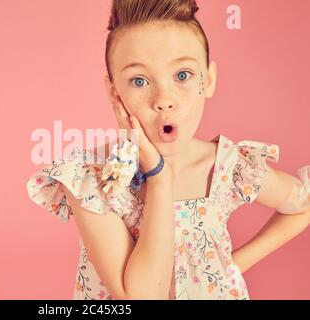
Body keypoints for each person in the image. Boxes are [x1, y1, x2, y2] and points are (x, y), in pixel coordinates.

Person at [26, 0, 310, 300]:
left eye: (183, 75)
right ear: (114, 92)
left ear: (209, 80)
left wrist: (233, 266)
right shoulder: (91, 178)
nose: (164, 99)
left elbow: (302, 206)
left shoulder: (229, 168)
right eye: (139, 80)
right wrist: (159, 178)